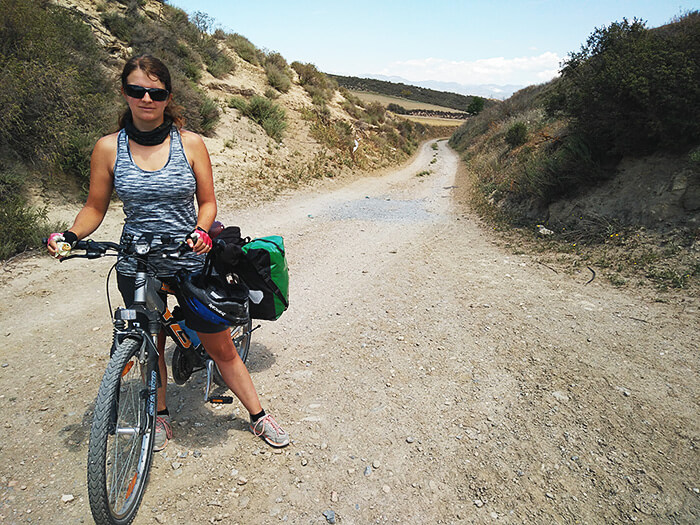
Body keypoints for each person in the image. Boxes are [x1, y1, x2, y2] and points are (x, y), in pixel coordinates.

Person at [47, 54, 289, 450]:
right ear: (124, 92)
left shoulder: (190, 144)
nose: (146, 99)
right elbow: (94, 207)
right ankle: (159, 417)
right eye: (136, 90)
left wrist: (201, 231)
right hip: (137, 260)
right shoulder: (109, 148)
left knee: (220, 345)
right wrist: (71, 235)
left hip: (188, 257)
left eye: (155, 92)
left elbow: (208, 203)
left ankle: (258, 415)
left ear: (167, 96)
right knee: (150, 343)